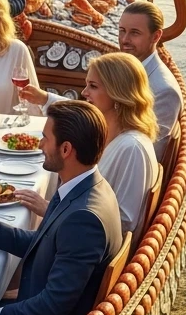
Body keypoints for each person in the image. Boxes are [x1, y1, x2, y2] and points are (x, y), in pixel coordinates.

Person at [0, 100, 123, 315]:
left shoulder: (83, 219)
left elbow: (52, 307)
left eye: (45, 138)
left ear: (66, 149)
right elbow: (46, 242)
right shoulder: (86, 185)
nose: (40, 145)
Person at [16, 54, 158, 238]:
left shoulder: (132, 149)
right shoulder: (108, 131)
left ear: (118, 93)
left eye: (93, 86)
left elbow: (123, 221)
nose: (84, 92)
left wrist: (50, 209)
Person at [117, 1, 182, 156]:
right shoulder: (125, 67)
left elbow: (142, 154)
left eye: (134, 33)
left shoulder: (163, 91)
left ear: (156, 36)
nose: (124, 40)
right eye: (122, 31)